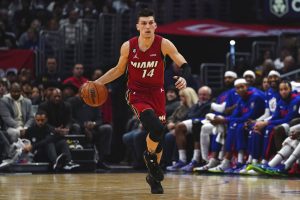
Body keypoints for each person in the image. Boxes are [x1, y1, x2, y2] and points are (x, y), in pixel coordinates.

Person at [92, 8, 189, 194]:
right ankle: (149, 158)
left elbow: (182, 61)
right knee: (157, 128)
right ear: (138, 26)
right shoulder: (128, 46)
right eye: (143, 23)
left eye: (150, 22)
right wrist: (98, 82)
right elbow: (118, 70)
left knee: (158, 137)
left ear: (155, 25)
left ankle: (153, 176)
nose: (147, 26)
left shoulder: (163, 44)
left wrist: (184, 75)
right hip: (137, 94)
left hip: (157, 93)